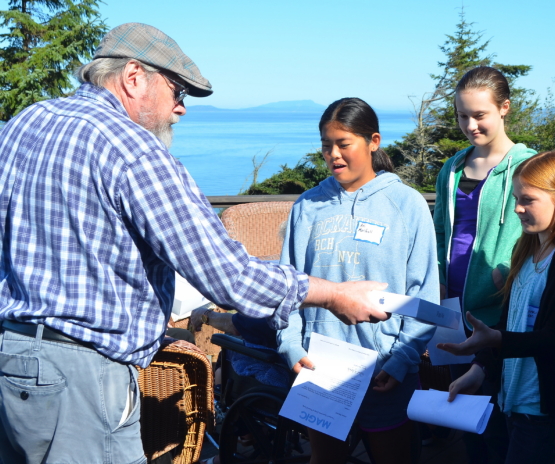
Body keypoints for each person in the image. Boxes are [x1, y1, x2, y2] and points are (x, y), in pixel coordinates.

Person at [0, 24, 388, 464]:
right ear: (133, 77)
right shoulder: (134, 151)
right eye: (177, 90)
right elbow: (230, 277)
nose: (181, 109)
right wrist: (334, 294)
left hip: (12, 358)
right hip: (84, 380)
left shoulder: (24, 123)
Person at [277, 97, 440, 464]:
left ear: (373, 141)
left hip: (384, 371)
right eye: (325, 146)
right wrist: (291, 346)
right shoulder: (307, 207)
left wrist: (400, 361)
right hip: (319, 365)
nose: (333, 154)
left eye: (343, 144)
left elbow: (424, 295)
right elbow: (287, 286)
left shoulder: (407, 205)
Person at [439, 149, 555, 464]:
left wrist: (496, 341)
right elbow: (507, 321)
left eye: (528, 200)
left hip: (543, 405)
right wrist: (479, 367)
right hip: (510, 397)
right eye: (515, 198)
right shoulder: (526, 251)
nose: (517, 209)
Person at [432, 65, 536, 462]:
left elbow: (540, 234)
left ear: (504, 108)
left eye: (480, 115)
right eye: (462, 115)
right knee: (467, 419)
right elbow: (441, 229)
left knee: (502, 421)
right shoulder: (453, 168)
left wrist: (508, 280)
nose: (470, 125)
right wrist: (439, 282)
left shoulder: (528, 166)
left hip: (505, 310)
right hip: (457, 308)